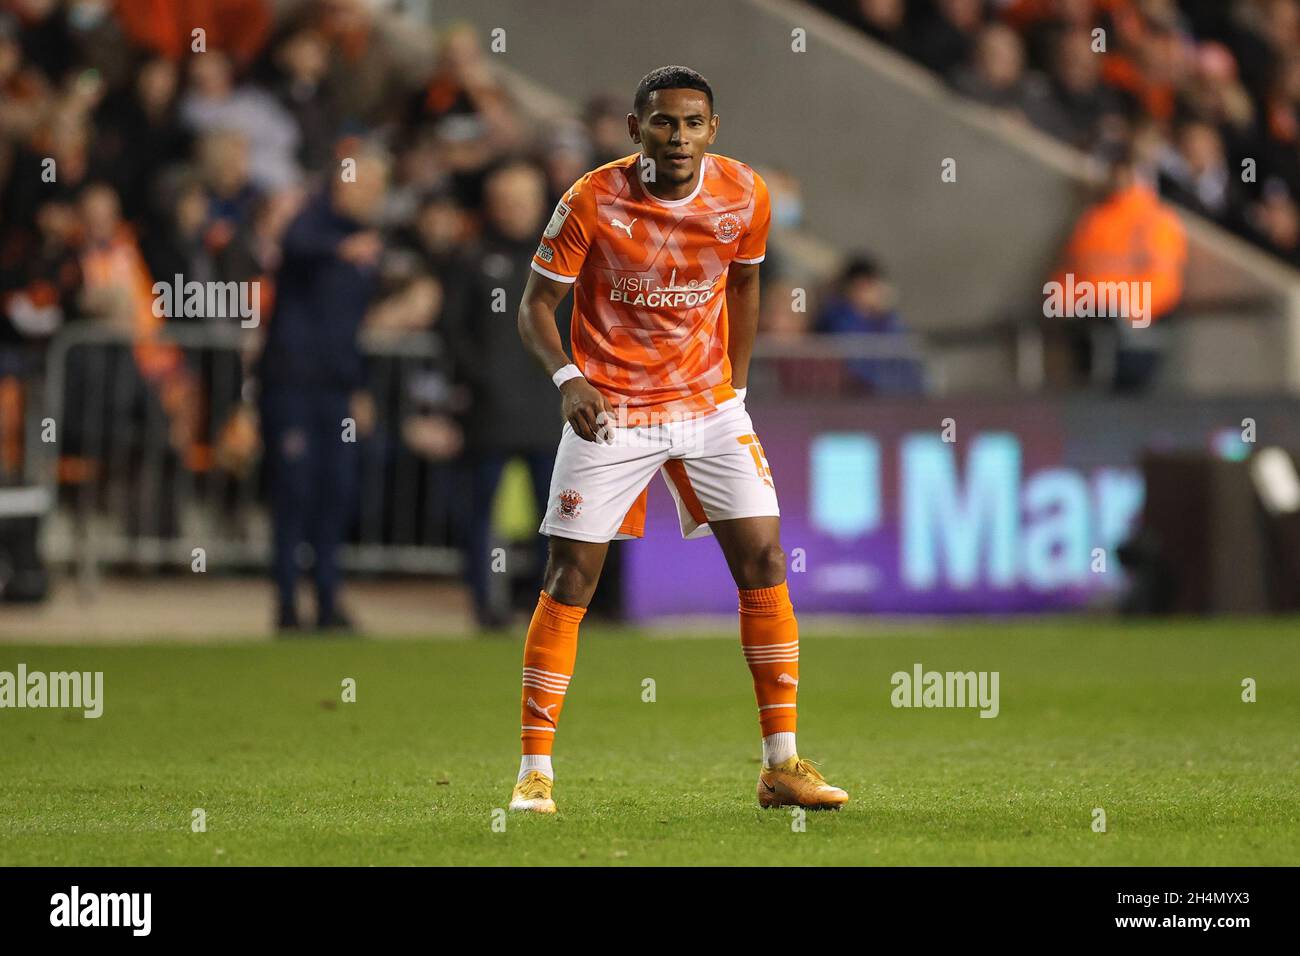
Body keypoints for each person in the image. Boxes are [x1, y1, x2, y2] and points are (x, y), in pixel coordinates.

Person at [507, 66, 848, 814]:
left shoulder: (745, 194)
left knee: (762, 556)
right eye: (664, 122)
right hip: (613, 406)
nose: (679, 137)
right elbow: (536, 305)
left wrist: (739, 388)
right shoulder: (591, 199)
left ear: (712, 130)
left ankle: (782, 766)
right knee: (571, 578)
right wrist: (568, 377)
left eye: (693, 123)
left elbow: (747, 283)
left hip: (708, 403)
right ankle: (535, 770)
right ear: (636, 130)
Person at [254, 147, 388, 633]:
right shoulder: (313, 221)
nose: (376, 196)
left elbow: (348, 328)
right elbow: (294, 244)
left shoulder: (364, 243)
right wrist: (339, 248)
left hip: (336, 390)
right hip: (291, 386)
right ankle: (288, 605)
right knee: (294, 492)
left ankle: (329, 602)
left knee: (337, 494)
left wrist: (359, 388)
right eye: (369, 185)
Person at [440, 158, 564, 630]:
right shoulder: (470, 259)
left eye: (523, 201)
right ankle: (487, 608)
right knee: (481, 515)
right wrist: (479, 379)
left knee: (556, 518)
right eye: (506, 201)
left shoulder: (564, 258)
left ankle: (551, 609)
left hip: (550, 410)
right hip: (488, 414)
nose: (514, 210)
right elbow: (451, 330)